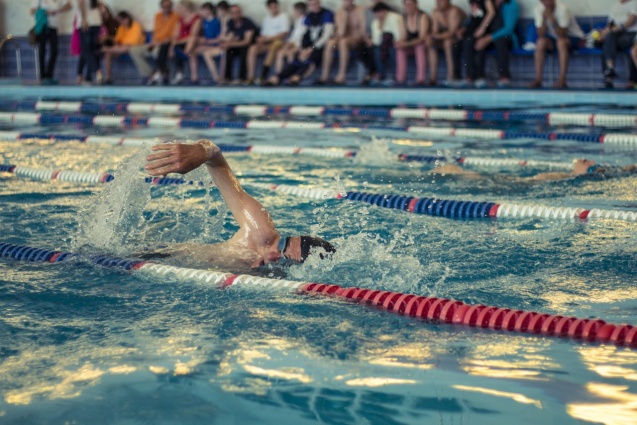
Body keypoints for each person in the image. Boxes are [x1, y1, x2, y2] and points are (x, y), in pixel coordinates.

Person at [144, 140, 336, 271]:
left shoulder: (264, 276)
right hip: (150, 255)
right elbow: (215, 154)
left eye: (284, 260)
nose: (275, 255)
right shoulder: (261, 234)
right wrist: (201, 151)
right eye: (282, 244)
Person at [266, 0, 335, 86]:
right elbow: (303, 35)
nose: (314, 6)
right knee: (297, 58)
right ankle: (278, 77)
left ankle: (298, 77)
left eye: (316, 3)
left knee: (312, 58)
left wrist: (312, 48)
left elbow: (326, 35)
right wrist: (303, 48)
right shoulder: (308, 17)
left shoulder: (327, 14)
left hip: (320, 46)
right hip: (309, 46)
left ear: (319, 2)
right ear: (309, 5)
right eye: (312, 4)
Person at [530, 0, 585, 89]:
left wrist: (553, 20)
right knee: (540, 42)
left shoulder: (562, 9)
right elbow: (540, 34)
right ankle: (538, 80)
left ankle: (562, 80)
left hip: (573, 37)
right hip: (555, 37)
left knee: (561, 42)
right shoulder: (538, 9)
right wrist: (544, 19)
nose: (547, 2)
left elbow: (562, 34)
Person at [430, 159, 637, 182]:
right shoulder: (569, 176)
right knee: (450, 170)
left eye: (585, 161)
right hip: (507, 182)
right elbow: (622, 170)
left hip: (508, 184)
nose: (580, 159)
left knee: (451, 170)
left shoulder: (564, 176)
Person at [316, 0, 367, 86]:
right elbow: (341, 32)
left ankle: (341, 75)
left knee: (343, 42)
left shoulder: (361, 10)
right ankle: (324, 76)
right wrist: (345, 14)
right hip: (343, 39)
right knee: (330, 43)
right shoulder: (340, 12)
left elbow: (363, 30)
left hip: (357, 39)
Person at [129, 0, 180, 85]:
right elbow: (155, 32)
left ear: (171, 7)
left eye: (168, 7)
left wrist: (159, 43)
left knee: (157, 52)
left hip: (165, 44)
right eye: (164, 7)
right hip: (155, 43)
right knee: (134, 50)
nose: (166, 9)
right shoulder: (158, 16)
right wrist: (152, 42)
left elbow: (174, 36)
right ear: (161, 7)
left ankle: (161, 74)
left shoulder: (176, 17)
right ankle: (151, 74)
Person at [474, 0, 519, 88]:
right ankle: (479, 77)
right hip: (490, 38)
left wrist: (489, 38)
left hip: (506, 38)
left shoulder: (511, 4)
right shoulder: (488, 3)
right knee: (479, 42)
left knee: (501, 41)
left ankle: (504, 76)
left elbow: (508, 29)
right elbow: (476, 19)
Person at [246, 0, 290, 85]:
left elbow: (284, 34)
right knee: (252, 48)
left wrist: (268, 39)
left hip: (278, 42)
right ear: (268, 8)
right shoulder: (267, 19)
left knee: (273, 47)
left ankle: (263, 75)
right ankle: (250, 77)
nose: (274, 9)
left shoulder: (284, 16)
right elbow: (263, 34)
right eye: (272, 7)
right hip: (266, 42)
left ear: (278, 7)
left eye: (275, 7)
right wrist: (260, 39)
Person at [31, 0, 72, 85]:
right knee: (42, 51)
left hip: (54, 26)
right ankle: (42, 76)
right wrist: (44, 12)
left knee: (54, 50)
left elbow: (69, 6)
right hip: (43, 26)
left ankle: (49, 75)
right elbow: (32, 10)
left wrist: (57, 10)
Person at [600, 0, 637, 89]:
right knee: (607, 41)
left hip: (632, 33)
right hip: (618, 36)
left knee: (633, 50)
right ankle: (610, 70)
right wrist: (603, 33)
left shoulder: (634, 3)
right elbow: (609, 25)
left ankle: (632, 80)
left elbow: (631, 21)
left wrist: (614, 29)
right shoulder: (616, 5)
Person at [427, 0, 465, 86]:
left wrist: (435, 36)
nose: (439, 3)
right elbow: (435, 31)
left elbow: (452, 33)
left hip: (459, 40)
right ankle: (433, 76)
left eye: (441, 1)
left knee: (447, 43)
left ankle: (450, 76)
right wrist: (432, 37)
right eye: (437, 1)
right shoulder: (436, 12)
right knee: (431, 43)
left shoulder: (454, 11)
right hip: (445, 38)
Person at [101, 11, 145, 85]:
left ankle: (107, 49)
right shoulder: (121, 28)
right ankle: (109, 77)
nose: (120, 23)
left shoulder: (135, 25)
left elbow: (133, 42)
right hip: (121, 48)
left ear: (126, 19)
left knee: (126, 47)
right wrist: (109, 38)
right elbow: (117, 40)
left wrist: (119, 45)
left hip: (134, 47)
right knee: (108, 54)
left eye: (121, 20)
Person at [460, 0, 496, 87]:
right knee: (463, 44)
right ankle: (467, 76)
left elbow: (491, 13)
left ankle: (479, 76)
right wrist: (464, 27)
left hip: (485, 31)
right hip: (474, 30)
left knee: (479, 45)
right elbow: (474, 14)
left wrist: (482, 28)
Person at [395, 0, 430, 86]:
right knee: (400, 50)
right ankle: (400, 79)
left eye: (410, 4)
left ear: (416, 4)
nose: (408, 7)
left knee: (419, 47)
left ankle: (420, 79)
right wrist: (400, 43)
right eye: (406, 5)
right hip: (411, 45)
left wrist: (406, 44)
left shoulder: (423, 16)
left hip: (422, 45)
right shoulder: (404, 17)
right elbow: (403, 35)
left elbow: (422, 37)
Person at [222, 5, 258, 85]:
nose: (235, 15)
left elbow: (247, 41)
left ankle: (242, 78)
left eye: (237, 12)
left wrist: (231, 43)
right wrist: (227, 43)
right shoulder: (230, 22)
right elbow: (231, 36)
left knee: (244, 50)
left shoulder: (247, 22)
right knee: (228, 50)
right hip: (237, 45)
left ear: (240, 13)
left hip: (249, 45)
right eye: (233, 13)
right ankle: (227, 77)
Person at [370, 2, 404, 85]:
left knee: (392, 49)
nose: (378, 15)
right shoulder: (375, 22)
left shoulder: (395, 18)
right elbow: (376, 41)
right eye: (376, 14)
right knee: (376, 50)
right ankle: (381, 75)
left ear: (385, 11)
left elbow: (398, 35)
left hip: (396, 43)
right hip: (383, 46)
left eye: (380, 13)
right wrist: (380, 26)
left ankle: (393, 75)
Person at [169, 0, 202, 85]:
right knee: (175, 48)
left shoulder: (196, 18)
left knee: (192, 43)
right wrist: (172, 47)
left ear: (186, 8)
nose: (178, 10)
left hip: (193, 42)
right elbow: (175, 35)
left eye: (180, 8)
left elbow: (193, 33)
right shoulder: (180, 20)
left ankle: (186, 54)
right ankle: (180, 74)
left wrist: (180, 41)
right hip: (182, 42)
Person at [273, 2, 307, 77]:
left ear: (298, 11)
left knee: (291, 54)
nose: (293, 13)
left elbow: (302, 37)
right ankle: (278, 74)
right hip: (294, 44)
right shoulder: (298, 21)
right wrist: (288, 43)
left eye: (294, 11)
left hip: (300, 46)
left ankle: (289, 75)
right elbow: (293, 36)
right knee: (280, 53)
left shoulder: (305, 21)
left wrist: (292, 45)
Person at [194, 2, 223, 84]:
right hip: (208, 45)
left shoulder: (216, 22)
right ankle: (195, 76)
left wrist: (208, 41)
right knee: (192, 51)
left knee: (206, 53)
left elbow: (220, 38)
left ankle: (216, 78)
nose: (202, 12)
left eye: (204, 10)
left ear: (209, 11)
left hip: (217, 47)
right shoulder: (204, 22)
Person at [76, 0, 101, 86]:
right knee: (91, 51)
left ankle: (97, 71)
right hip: (96, 22)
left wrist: (83, 19)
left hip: (87, 22)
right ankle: (88, 78)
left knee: (86, 51)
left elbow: (81, 3)